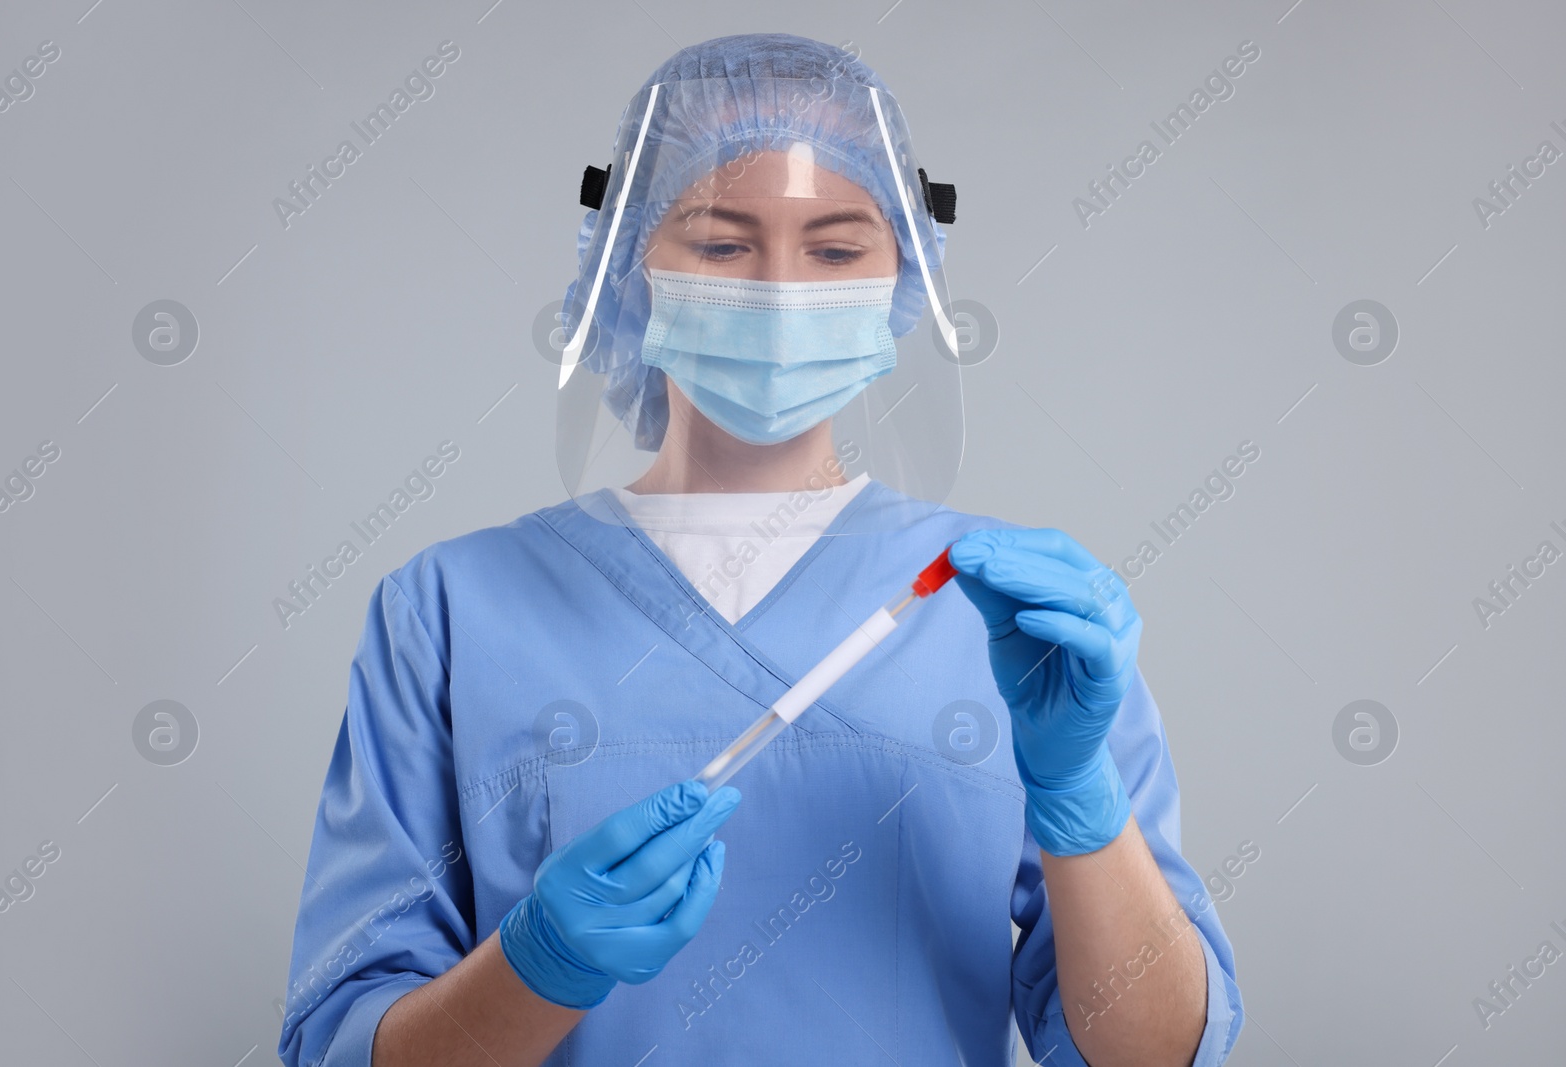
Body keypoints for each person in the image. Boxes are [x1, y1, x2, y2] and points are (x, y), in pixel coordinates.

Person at [277, 33, 1243, 1067]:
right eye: (721, 243)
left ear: (901, 277)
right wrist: (537, 965)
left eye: (834, 250)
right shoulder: (453, 611)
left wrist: (1079, 795)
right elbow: (342, 1045)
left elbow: (1152, 1053)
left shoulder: (1014, 611)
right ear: (630, 263)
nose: (782, 292)